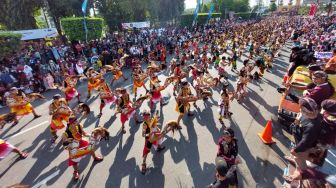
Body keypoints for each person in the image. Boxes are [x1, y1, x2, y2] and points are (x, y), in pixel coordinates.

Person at [285, 97, 323, 170]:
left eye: (301, 109)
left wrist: (295, 150)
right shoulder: (316, 114)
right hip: (304, 136)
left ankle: (301, 172)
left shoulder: (311, 127)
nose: (300, 110)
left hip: (307, 145)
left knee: (298, 158)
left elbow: (305, 142)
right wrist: (298, 119)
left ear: (307, 111)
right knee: (297, 154)